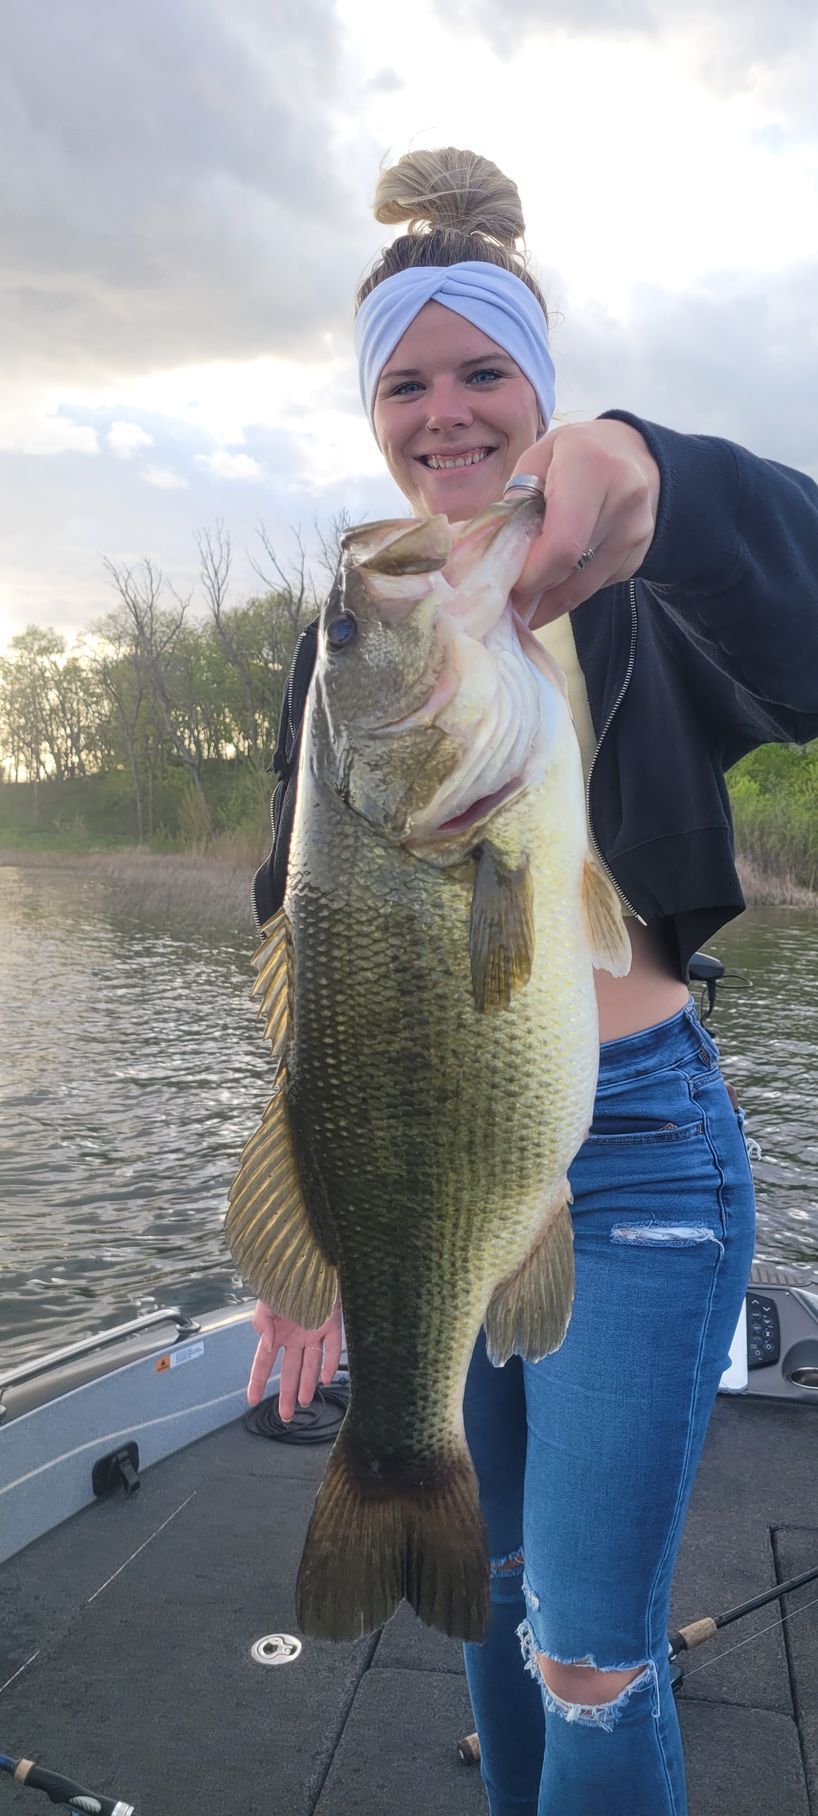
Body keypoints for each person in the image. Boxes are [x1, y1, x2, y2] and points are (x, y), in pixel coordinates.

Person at [243, 147, 818, 1815]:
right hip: (413, 1149)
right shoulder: (357, 634)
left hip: (632, 1152)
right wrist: (308, 1231)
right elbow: (298, 932)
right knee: (489, 1602)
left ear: (540, 387)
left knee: (583, 1651)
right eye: (404, 382)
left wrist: (662, 481)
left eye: (482, 368)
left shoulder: (643, 571)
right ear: (372, 413)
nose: (444, 411)